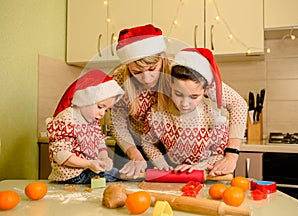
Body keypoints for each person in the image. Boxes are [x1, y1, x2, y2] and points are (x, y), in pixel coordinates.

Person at [141, 48, 248, 177]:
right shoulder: (156, 114)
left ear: (206, 90)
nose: (185, 104)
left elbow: (219, 153)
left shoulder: (213, 117)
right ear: (170, 84)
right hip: (172, 175)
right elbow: (147, 142)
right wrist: (161, 163)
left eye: (194, 96)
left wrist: (197, 167)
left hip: (205, 176)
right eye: (178, 94)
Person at [109, 24, 172, 178]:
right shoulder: (118, 79)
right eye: (137, 72)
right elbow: (118, 124)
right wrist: (135, 154)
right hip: (132, 145)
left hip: (168, 147)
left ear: (162, 58)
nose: (146, 79)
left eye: (152, 69)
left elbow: (235, 103)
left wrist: (231, 153)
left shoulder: (178, 72)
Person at [46, 69, 124, 184]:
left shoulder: (91, 121)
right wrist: (89, 164)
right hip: (71, 176)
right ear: (84, 100)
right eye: (100, 107)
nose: (102, 113)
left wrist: (104, 158)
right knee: (117, 175)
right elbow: (60, 154)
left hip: (86, 171)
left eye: (106, 110)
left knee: (116, 174)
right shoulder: (66, 118)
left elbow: (99, 143)